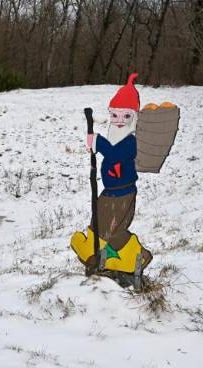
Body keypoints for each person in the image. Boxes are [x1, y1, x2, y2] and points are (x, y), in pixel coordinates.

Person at [71, 73, 152, 274]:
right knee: (105, 226)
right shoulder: (115, 138)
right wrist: (97, 144)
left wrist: (98, 142)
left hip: (123, 194)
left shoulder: (130, 142)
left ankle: (127, 256)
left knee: (109, 228)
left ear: (134, 118)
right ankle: (107, 255)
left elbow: (115, 155)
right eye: (114, 115)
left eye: (126, 116)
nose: (118, 121)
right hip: (111, 192)